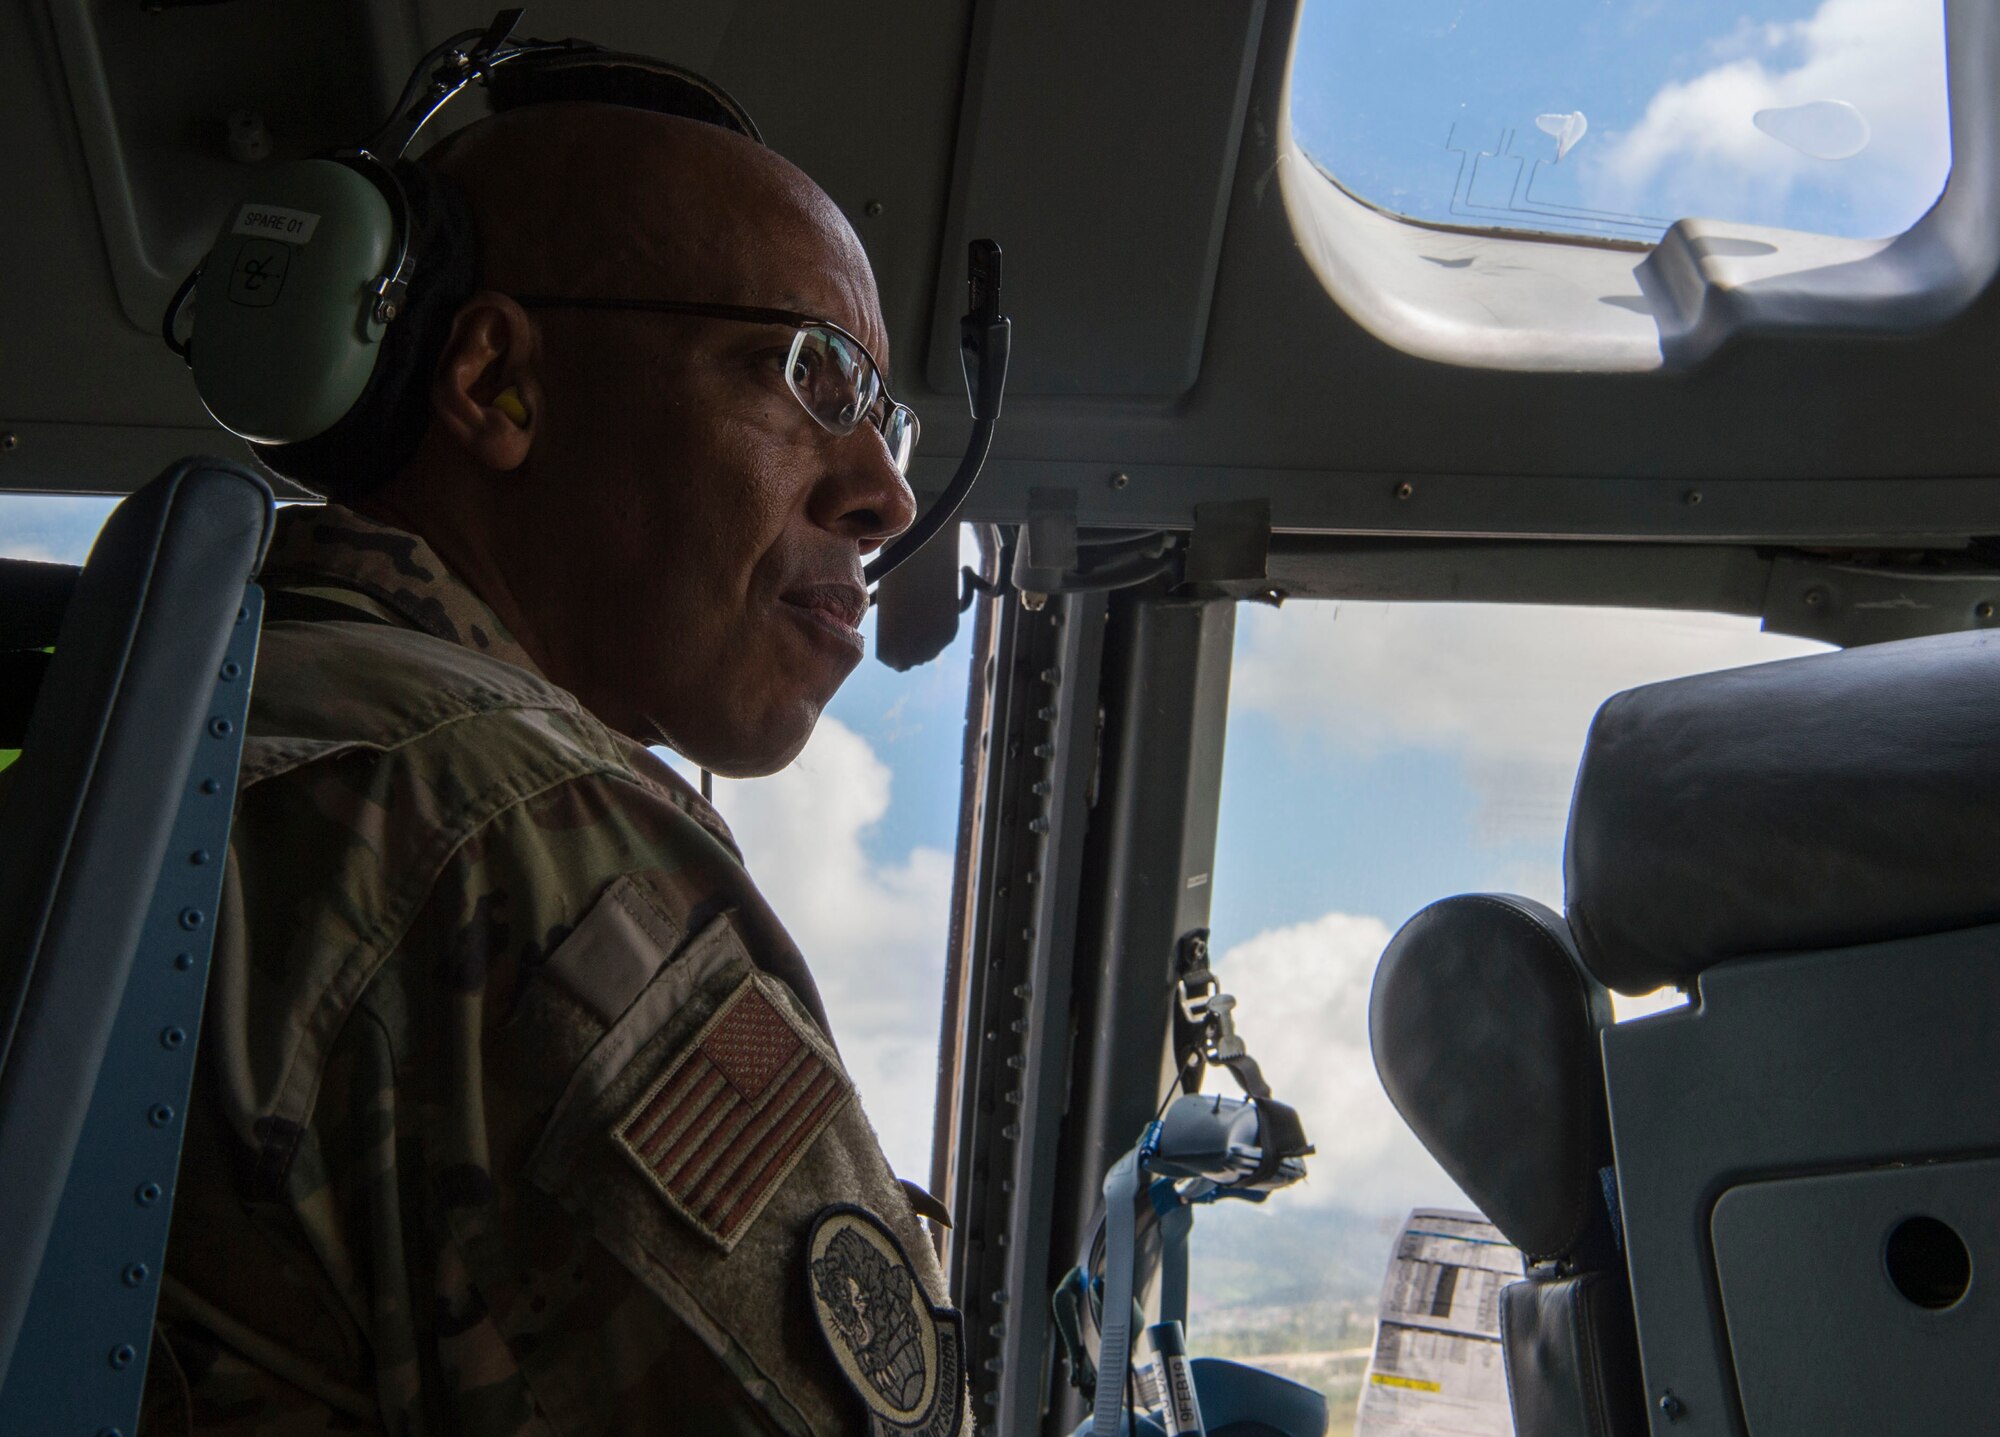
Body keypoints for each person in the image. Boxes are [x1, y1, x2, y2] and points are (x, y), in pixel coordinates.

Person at [151, 97, 969, 1437]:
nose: (886, 493)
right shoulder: (507, 825)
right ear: (495, 385)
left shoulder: (195, 710)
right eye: (812, 375)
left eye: (885, 417)